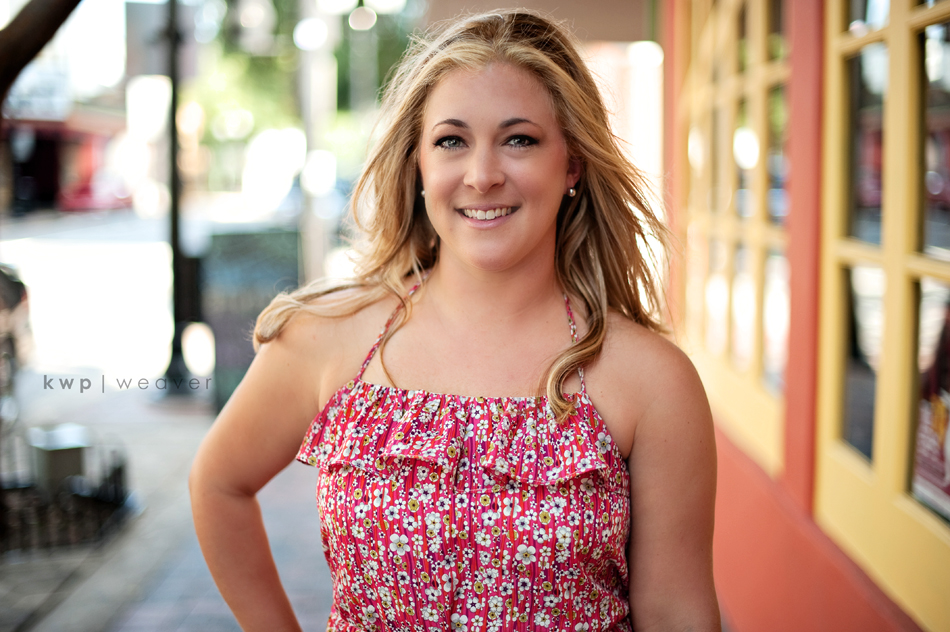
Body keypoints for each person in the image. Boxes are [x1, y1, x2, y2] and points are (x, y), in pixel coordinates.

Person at [190, 9, 720, 631]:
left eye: (519, 140)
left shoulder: (652, 381)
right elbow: (218, 483)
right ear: (418, 162)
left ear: (572, 164)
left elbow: (676, 610)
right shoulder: (329, 338)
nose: (482, 175)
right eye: (451, 141)